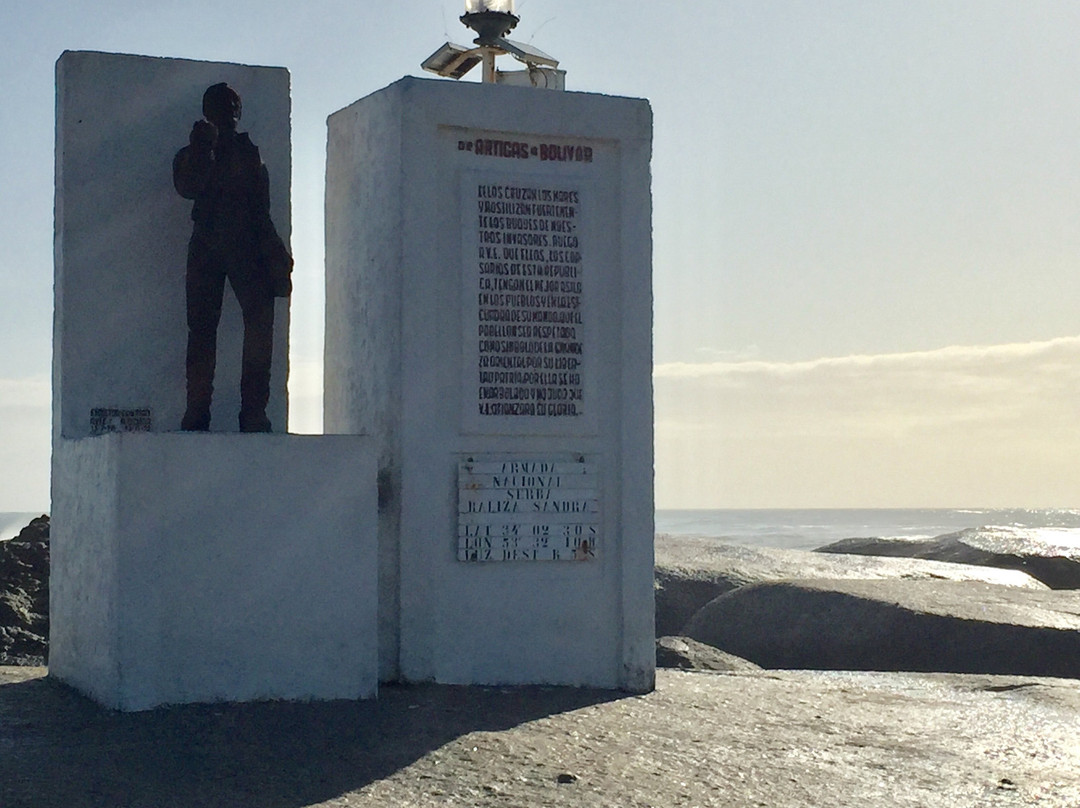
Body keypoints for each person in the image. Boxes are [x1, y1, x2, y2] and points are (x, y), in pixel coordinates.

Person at [173, 82, 292, 433]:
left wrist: (274, 249)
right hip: (208, 242)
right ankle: (198, 412)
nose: (229, 114)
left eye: (232, 107)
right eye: (222, 107)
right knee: (202, 329)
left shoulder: (250, 154)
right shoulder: (196, 149)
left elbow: (261, 209)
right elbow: (187, 187)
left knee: (258, 325)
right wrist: (201, 148)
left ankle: (253, 411)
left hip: (246, 244)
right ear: (209, 112)